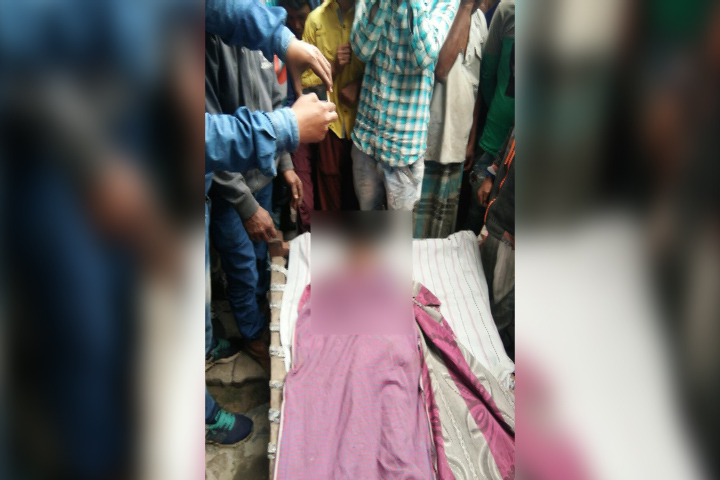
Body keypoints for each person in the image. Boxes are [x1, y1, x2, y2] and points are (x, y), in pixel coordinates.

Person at [204, 0, 336, 446]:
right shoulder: (207, 43)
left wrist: (287, 166)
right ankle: (252, 334)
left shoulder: (266, 34)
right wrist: (245, 204)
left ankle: (254, 322)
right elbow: (206, 139)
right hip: (229, 187)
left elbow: (278, 105)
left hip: (261, 175)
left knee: (262, 257)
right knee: (241, 265)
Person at [350, 0, 458, 211]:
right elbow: (361, 50)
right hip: (366, 138)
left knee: (396, 231)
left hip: (403, 148)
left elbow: (425, 57)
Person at [414, 0, 488, 238]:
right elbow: (441, 70)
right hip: (426, 142)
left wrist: (471, 140)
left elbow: (477, 85)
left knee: (441, 229)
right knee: (412, 224)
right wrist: (465, 7)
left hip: (457, 140)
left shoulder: (481, 21)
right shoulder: (437, 9)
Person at [302, 0, 363, 211]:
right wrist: (333, 67)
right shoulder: (315, 20)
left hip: (362, 124)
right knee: (329, 198)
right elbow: (304, 82)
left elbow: (383, 67)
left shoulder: (369, 18)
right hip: (329, 125)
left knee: (359, 196)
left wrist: (359, 85)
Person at [463, 0, 514, 230]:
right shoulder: (508, 9)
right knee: (474, 220)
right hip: (495, 139)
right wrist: (501, 107)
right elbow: (486, 74)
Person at [477, 128, 515, 359]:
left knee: (502, 297)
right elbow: (507, 143)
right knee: (482, 279)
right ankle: (478, 337)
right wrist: (490, 176)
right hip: (499, 214)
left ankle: (495, 354)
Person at [279, 0, 316, 232]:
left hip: (329, 122)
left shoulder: (322, 26)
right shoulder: (279, 40)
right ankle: (307, 236)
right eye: (290, 18)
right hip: (295, 123)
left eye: (301, 17)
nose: (296, 25)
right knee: (303, 190)